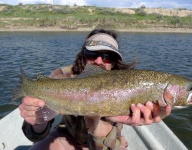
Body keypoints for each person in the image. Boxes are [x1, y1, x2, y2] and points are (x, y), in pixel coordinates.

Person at [19, 29, 172, 150]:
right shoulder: (62, 76)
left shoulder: (127, 83)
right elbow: (34, 135)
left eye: (107, 56)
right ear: (83, 54)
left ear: (114, 62)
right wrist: (38, 122)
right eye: (92, 53)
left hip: (106, 141)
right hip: (66, 137)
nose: (99, 61)